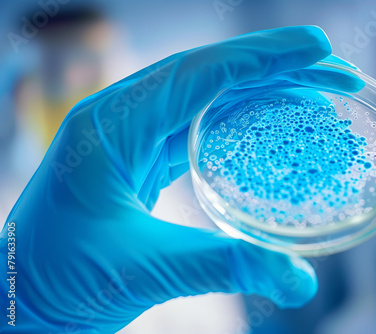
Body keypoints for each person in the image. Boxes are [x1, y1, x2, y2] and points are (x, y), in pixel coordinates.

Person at [1, 26, 344, 333]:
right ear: (20, 90)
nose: (77, 77)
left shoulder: (172, 178)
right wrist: (17, 304)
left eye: (94, 62)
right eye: (55, 68)